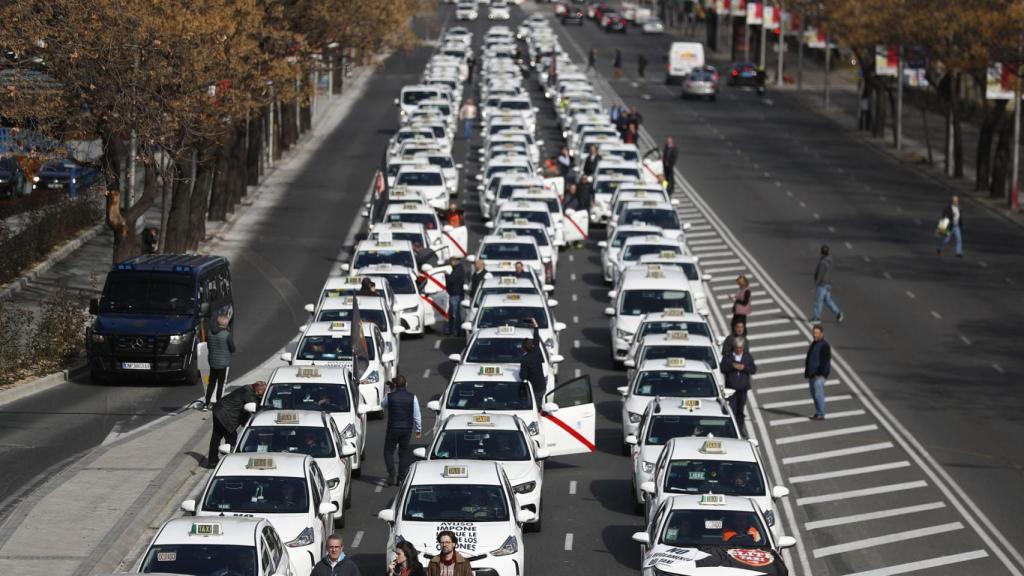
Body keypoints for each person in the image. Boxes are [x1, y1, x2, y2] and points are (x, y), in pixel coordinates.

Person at [207, 381, 267, 468]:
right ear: (259, 390)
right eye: (262, 393)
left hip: (218, 409)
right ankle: (228, 462)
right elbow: (254, 408)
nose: (262, 395)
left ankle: (212, 461)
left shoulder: (247, 387)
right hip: (225, 414)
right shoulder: (249, 393)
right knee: (231, 438)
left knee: (216, 436)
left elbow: (245, 412)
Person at [381, 375, 422, 485]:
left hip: (393, 428)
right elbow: (417, 415)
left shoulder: (390, 396)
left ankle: (391, 472)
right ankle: (400, 477)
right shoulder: (412, 397)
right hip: (406, 429)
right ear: (406, 384)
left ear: (395, 385)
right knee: (403, 454)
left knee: (388, 452)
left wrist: (390, 391)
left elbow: (382, 404)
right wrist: (418, 430)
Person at [720, 338, 756, 436]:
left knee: (740, 410)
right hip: (731, 390)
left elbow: (753, 369)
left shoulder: (747, 357)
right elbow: (722, 368)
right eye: (737, 348)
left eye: (740, 348)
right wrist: (732, 366)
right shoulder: (728, 357)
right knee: (732, 410)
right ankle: (732, 430)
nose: (739, 350)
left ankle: (740, 430)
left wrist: (744, 367)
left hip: (742, 389)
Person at [204, 314, 235, 411]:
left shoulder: (210, 333)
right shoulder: (227, 335)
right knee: (221, 384)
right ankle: (219, 404)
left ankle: (207, 403)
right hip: (223, 363)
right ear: (226, 324)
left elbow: (208, 345)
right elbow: (232, 348)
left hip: (212, 362)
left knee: (211, 383)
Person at [810, 244, 844, 323]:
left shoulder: (823, 262)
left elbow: (820, 275)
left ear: (821, 253)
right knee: (828, 300)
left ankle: (817, 318)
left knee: (819, 301)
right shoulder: (830, 260)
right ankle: (838, 313)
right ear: (828, 252)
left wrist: (814, 286)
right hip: (828, 284)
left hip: (822, 285)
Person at [804, 324, 832, 421]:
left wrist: (819, 373)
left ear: (821, 334)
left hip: (819, 376)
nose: (814, 335)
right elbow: (810, 358)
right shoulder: (814, 343)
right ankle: (818, 412)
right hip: (812, 375)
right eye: (813, 333)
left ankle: (821, 414)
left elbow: (825, 362)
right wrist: (808, 372)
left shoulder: (824, 346)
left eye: (816, 333)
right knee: (813, 393)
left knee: (818, 393)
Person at [518, 318, 547, 406]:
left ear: (524, 348)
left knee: (535, 408)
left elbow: (522, 376)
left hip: (533, 389)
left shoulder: (525, 359)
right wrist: (535, 326)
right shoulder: (536, 351)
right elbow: (536, 340)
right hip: (542, 387)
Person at [446, 256, 466, 336]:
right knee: (454, 313)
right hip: (456, 294)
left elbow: (451, 280)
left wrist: (447, 275)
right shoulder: (459, 269)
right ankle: (454, 330)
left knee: (455, 314)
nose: (450, 264)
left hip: (455, 294)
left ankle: (456, 331)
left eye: (451, 262)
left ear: (454, 261)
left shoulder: (457, 270)